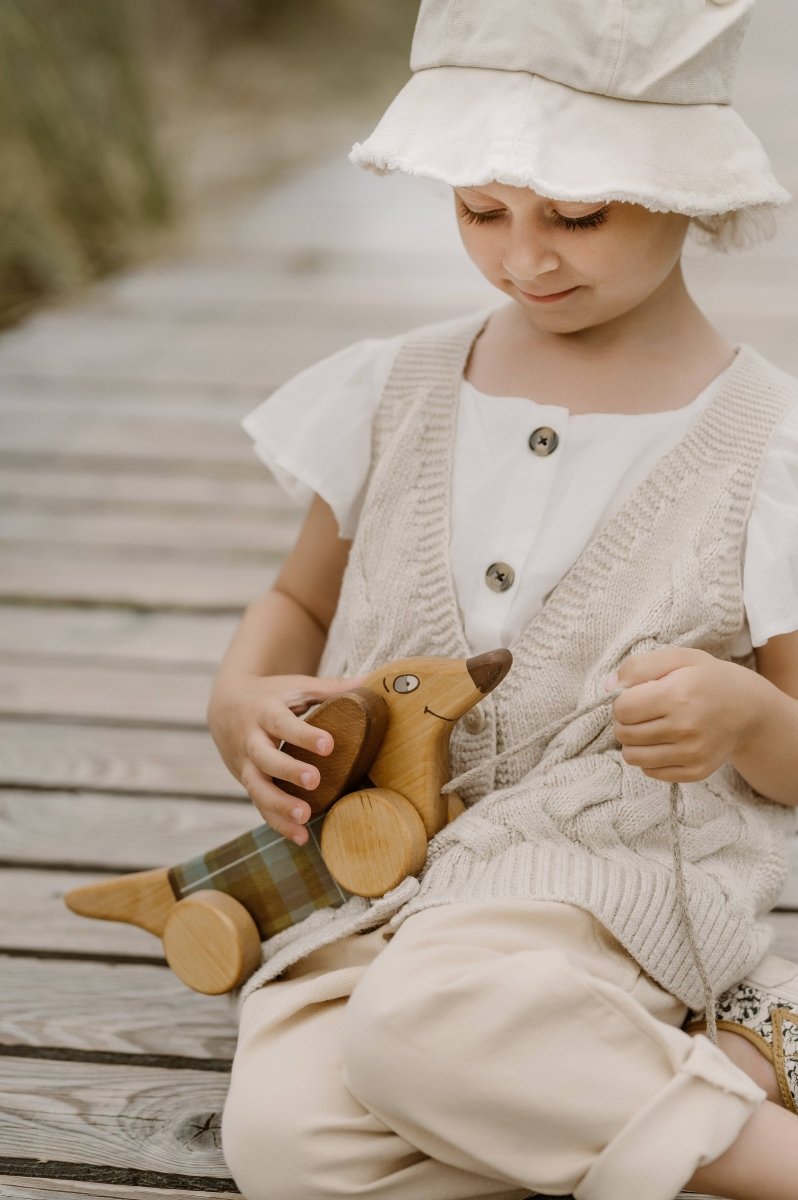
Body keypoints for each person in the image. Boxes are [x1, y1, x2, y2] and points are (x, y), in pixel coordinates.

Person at [211, 2, 798, 1197]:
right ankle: (718, 1065)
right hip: (368, 871)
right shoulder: (399, 388)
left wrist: (741, 716)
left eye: (577, 216)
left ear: (684, 188)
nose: (524, 258)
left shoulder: (765, 447)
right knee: (285, 1146)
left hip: (600, 875)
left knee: (422, 1028)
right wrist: (239, 698)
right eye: (481, 211)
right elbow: (296, 597)